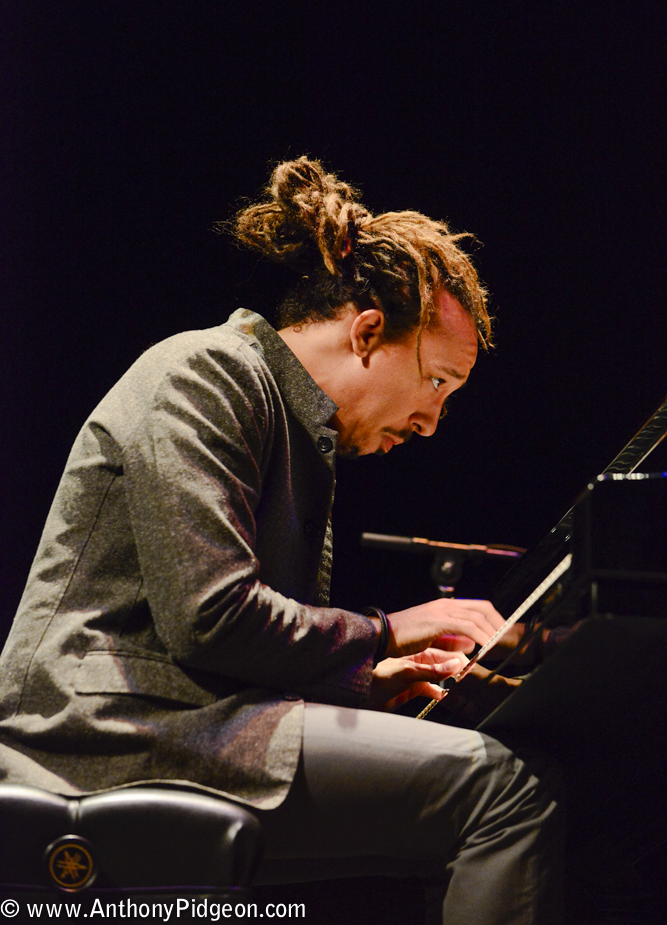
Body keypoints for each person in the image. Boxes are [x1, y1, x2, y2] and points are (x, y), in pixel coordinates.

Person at [0, 158, 563, 923]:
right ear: (368, 333)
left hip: (181, 723)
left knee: (472, 807)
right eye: (436, 382)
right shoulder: (206, 373)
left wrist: (366, 680)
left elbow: (231, 643)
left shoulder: (293, 426)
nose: (432, 422)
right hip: (98, 735)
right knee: (505, 790)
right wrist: (386, 631)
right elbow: (211, 618)